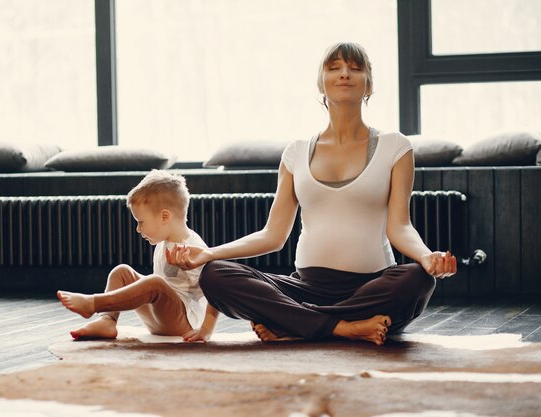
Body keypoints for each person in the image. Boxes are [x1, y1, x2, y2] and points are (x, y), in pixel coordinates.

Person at [167, 42, 457, 346]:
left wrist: (426, 257)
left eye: (355, 68)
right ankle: (343, 327)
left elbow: (400, 226)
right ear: (321, 82)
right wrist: (209, 253)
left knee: (418, 280)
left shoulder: (395, 147)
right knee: (215, 275)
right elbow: (273, 235)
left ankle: (298, 323)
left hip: (371, 287)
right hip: (305, 287)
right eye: (334, 68)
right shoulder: (295, 153)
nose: (345, 74)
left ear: (368, 84)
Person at [57, 170, 219, 343]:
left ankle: (94, 303)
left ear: (165, 216)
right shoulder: (163, 243)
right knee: (122, 272)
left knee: (155, 283)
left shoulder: (194, 248)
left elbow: (216, 289)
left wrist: (206, 329)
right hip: (159, 320)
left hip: (185, 323)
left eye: (141, 222)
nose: (138, 229)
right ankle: (107, 320)